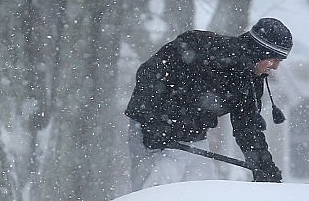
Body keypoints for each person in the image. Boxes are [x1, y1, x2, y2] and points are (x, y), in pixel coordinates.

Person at [125, 17, 292, 189]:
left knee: (204, 198)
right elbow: (149, 74)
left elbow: (247, 127)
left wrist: (263, 166)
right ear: (258, 51)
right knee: (152, 199)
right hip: (155, 138)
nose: (275, 67)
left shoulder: (251, 80)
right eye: (274, 59)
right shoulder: (204, 48)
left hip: (195, 141)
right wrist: (154, 124)